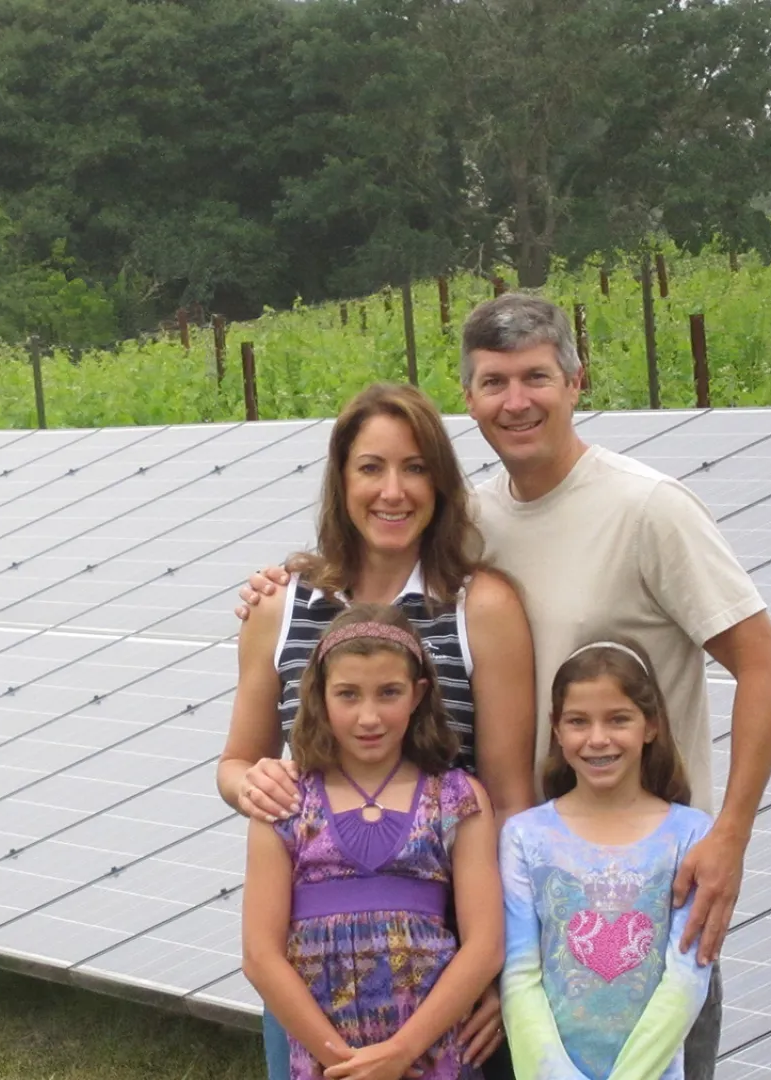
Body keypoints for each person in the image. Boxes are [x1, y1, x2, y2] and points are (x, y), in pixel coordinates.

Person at [241, 295, 771, 1079]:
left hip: (647, 885)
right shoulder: (475, 530)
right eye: (494, 382)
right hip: (525, 892)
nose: (517, 400)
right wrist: (282, 582)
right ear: (468, 398)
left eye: (536, 376)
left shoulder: (648, 509)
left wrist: (730, 836)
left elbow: (768, 669)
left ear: (577, 381)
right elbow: (377, 565)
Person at [220, 382, 536, 1079]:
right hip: (310, 957)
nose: (393, 491)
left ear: (442, 483)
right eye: (371, 467)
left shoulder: (480, 606)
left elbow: (511, 800)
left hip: (446, 953)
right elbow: (237, 763)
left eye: (415, 467)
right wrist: (257, 783)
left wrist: (503, 964)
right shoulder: (280, 607)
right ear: (341, 480)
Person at [242, 604, 503, 1080]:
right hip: (324, 1060)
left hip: (430, 1054)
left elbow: (485, 945)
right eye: (348, 694)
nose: (369, 716)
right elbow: (260, 954)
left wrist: (400, 1053)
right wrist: (346, 1063)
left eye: (388, 693)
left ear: (418, 694)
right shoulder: (284, 803)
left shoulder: (458, 799)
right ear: (320, 696)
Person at [501, 640, 713, 1080]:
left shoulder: (691, 834)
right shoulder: (525, 836)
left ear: (650, 725)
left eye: (618, 719)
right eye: (578, 721)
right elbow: (520, 974)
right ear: (557, 730)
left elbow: (686, 975)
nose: (598, 739)